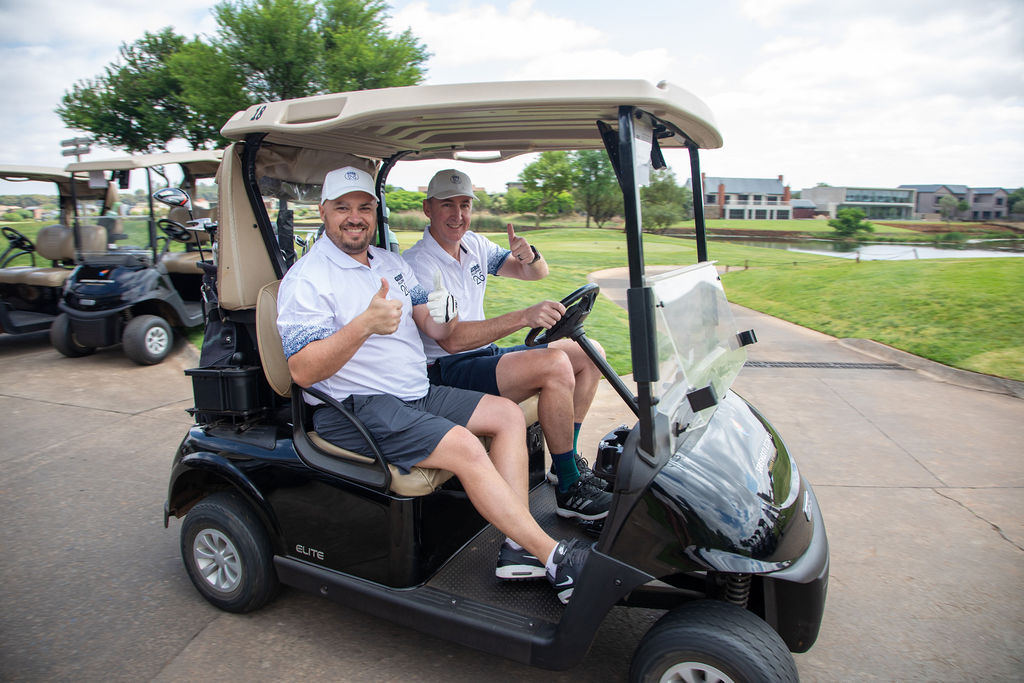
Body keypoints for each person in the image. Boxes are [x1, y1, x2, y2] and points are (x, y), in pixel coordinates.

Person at [276, 166, 587, 604]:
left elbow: (438, 331)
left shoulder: (390, 263)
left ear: (374, 212)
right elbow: (302, 371)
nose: (355, 217)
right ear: (324, 212)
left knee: (506, 415)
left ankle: (517, 548)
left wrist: (443, 312)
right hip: (355, 407)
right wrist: (364, 325)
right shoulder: (307, 278)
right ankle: (552, 555)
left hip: (414, 392)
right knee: (465, 446)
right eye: (343, 208)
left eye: (364, 207)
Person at [404, 169, 612, 522]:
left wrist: (530, 256)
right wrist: (523, 317)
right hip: (446, 370)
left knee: (590, 354)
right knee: (555, 366)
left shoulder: (474, 245)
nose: (458, 215)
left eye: (465, 205)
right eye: (447, 205)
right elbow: (451, 340)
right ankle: (569, 488)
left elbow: (534, 273)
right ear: (428, 209)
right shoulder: (418, 264)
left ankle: (566, 464)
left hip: (483, 356)